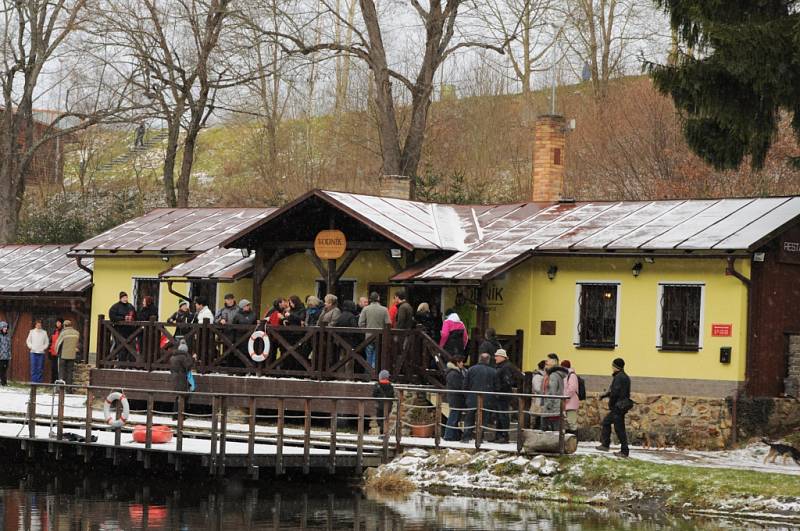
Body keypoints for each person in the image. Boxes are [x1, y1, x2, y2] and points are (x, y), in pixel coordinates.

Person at [597, 358, 632, 458]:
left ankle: (624, 451)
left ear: (616, 367)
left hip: (618, 406)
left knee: (619, 429)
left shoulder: (619, 377)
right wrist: (604, 395)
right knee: (607, 422)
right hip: (621, 405)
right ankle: (605, 444)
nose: (611, 368)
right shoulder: (624, 377)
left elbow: (615, 393)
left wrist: (611, 404)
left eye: (613, 366)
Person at [461, 352, 496, 442]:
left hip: (472, 397)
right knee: (483, 419)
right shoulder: (493, 371)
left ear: (479, 359)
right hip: (487, 398)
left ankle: (466, 437)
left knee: (469, 417)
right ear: (488, 360)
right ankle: (479, 437)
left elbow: (465, 385)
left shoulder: (471, 369)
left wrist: (467, 395)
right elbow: (496, 386)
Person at [493, 349, 522, 444]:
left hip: (503, 395)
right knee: (499, 415)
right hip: (501, 394)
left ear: (502, 357)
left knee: (503, 415)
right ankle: (499, 435)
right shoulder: (504, 366)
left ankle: (504, 436)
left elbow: (507, 382)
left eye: (497, 356)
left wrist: (499, 389)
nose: (495, 358)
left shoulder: (505, 367)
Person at [358, 292, 391, 368]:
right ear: (378, 298)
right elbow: (388, 323)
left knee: (368, 355)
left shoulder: (365, 309)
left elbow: (360, 323)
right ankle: (374, 371)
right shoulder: (384, 309)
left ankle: (369, 373)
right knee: (376, 355)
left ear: (370, 299)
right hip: (380, 336)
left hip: (369, 335)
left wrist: (366, 330)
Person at [542, 353, 569, 431]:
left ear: (554, 361)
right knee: (557, 429)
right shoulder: (558, 374)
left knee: (548, 430)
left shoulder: (553, 375)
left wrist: (548, 405)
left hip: (551, 406)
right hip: (557, 405)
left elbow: (552, 391)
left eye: (549, 359)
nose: (546, 361)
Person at [443, 354, 467, 441]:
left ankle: (454, 436)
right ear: (457, 363)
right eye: (461, 362)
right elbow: (459, 386)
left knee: (455, 417)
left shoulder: (454, 372)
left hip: (455, 397)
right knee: (453, 417)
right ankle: (448, 436)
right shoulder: (454, 373)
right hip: (455, 398)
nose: (463, 364)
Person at [170, 339, 197, 413]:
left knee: (178, 397)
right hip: (181, 379)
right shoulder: (182, 357)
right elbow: (188, 366)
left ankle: (175, 414)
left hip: (174, 379)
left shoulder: (173, 357)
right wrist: (193, 359)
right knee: (183, 396)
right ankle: (180, 414)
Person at [55, 320, 80, 385]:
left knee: (62, 372)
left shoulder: (63, 333)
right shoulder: (76, 333)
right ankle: (69, 388)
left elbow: (58, 343)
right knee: (70, 372)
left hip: (63, 355)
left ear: (64, 325)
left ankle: (61, 388)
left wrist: (57, 352)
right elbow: (77, 344)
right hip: (72, 355)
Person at [372, 369, 394, 434]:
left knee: (379, 419)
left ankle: (382, 432)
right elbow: (392, 396)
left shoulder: (377, 385)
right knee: (386, 419)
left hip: (380, 405)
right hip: (388, 406)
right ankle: (385, 432)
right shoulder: (390, 386)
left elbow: (374, 394)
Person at [561, 360, 581, 435]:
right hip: (566, 403)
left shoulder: (571, 375)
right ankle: (568, 442)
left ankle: (574, 441)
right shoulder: (565, 375)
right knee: (566, 424)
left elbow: (571, 388)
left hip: (571, 403)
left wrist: (564, 397)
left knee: (572, 423)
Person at [530, 360, 547, 428]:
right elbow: (537, 388)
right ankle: (536, 428)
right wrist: (544, 391)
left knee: (540, 415)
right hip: (538, 399)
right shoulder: (537, 376)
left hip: (542, 399)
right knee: (538, 415)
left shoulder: (543, 376)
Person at [0, 321, 11, 386]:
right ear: (1, 328)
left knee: (5, 369)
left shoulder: (7, 336)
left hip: (6, 356)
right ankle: (3, 383)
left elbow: (9, 346)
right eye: (4, 327)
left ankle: (4, 382)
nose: (6, 328)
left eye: (6, 327)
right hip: (1, 356)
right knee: (1, 369)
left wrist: (9, 355)